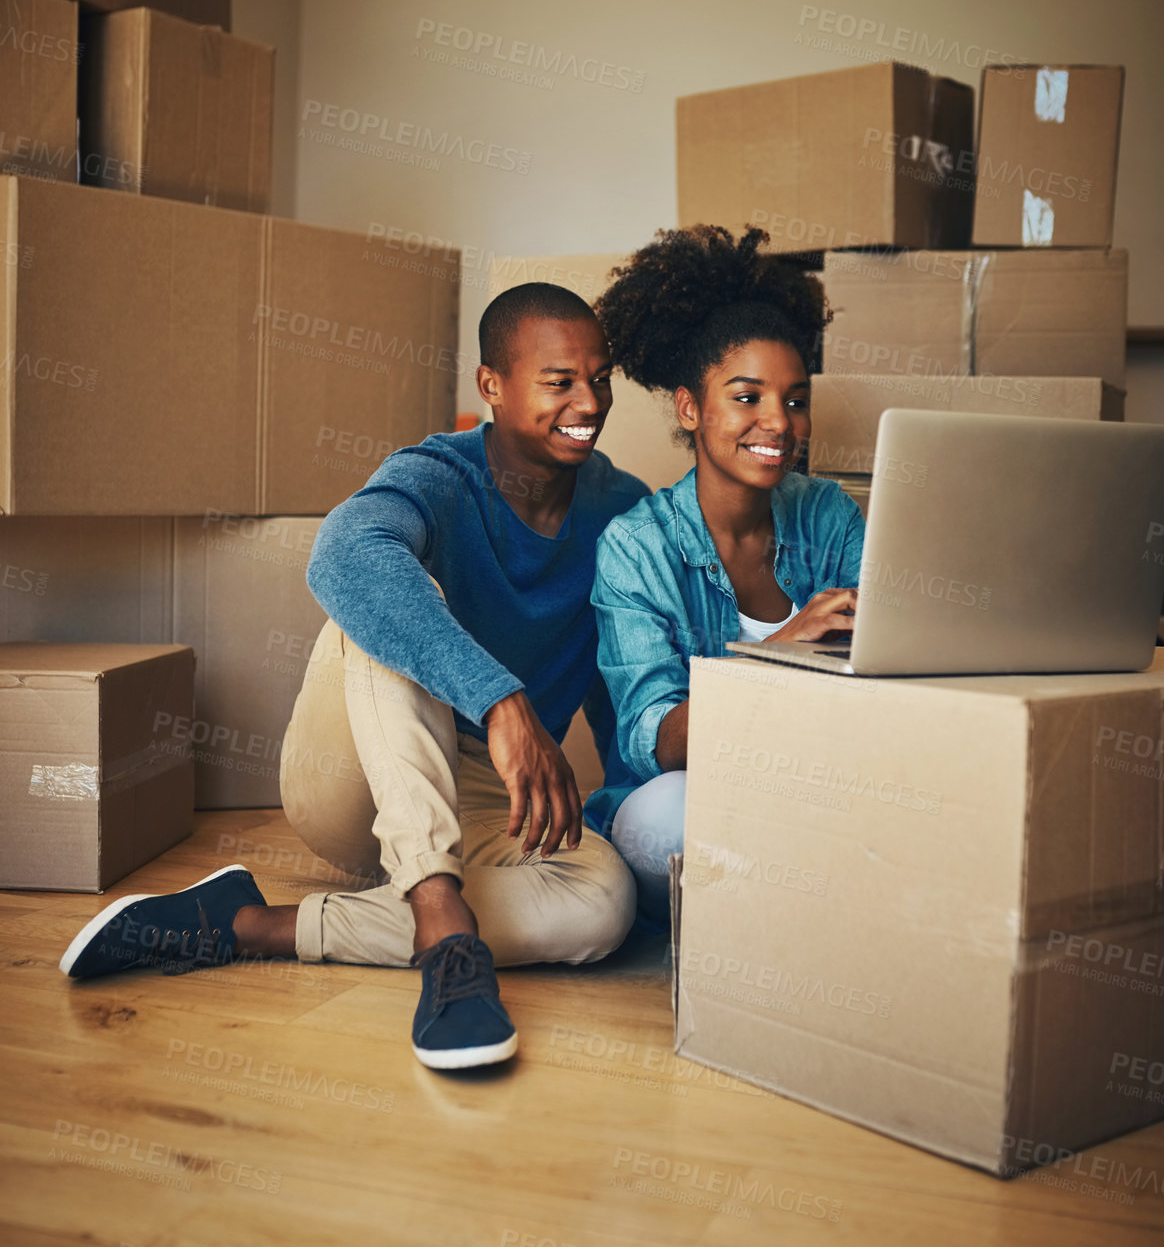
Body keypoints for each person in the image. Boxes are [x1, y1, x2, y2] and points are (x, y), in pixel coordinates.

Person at [60, 283, 647, 1071]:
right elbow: (339, 556)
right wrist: (501, 698)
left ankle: (246, 925)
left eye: (601, 377)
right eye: (560, 380)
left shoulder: (620, 509)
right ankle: (445, 936)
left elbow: (621, 674)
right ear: (491, 387)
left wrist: (626, 814)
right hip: (351, 774)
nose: (590, 400)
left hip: (481, 802)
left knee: (605, 905)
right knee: (385, 590)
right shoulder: (438, 473)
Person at [587, 226, 864, 921]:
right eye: (747, 396)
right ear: (690, 407)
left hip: (817, 781)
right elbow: (652, 742)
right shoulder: (637, 546)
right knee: (665, 822)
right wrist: (778, 652)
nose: (779, 420)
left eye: (795, 399)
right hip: (696, 794)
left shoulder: (827, 514)